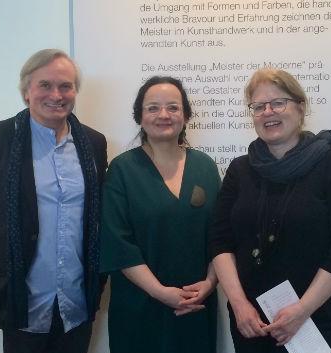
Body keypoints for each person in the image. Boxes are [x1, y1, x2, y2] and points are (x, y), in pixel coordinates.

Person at [0, 49, 107, 353]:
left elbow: (98, 222)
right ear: (26, 92)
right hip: (14, 306)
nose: (56, 95)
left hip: (75, 307)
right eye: (45, 85)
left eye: (66, 86)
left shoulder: (94, 144)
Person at [209, 68, 331, 353]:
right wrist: (239, 305)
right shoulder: (239, 170)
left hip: (311, 318)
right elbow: (220, 241)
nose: (268, 112)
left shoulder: (329, 166)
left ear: (300, 108)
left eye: (278, 103)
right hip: (250, 320)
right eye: (259, 106)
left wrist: (301, 311)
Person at [100, 76, 219, 353]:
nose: (163, 115)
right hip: (139, 307)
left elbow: (220, 235)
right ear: (139, 117)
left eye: (173, 108)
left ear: (186, 115)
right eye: (153, 108)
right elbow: (117, 242)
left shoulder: (205, 167)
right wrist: (160, 292)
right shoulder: (122, 170)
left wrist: (211, 283)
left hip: (195, 305)